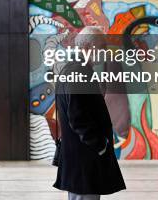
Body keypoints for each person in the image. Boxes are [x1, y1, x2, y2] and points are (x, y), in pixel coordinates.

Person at [53, 26, 126, 200]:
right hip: (84, 160)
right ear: (86, 48)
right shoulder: (78, 72)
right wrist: (100, 145)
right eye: (102, 47)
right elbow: (78, 117)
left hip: (81, 159)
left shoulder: (75, 70)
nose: (104, 51)